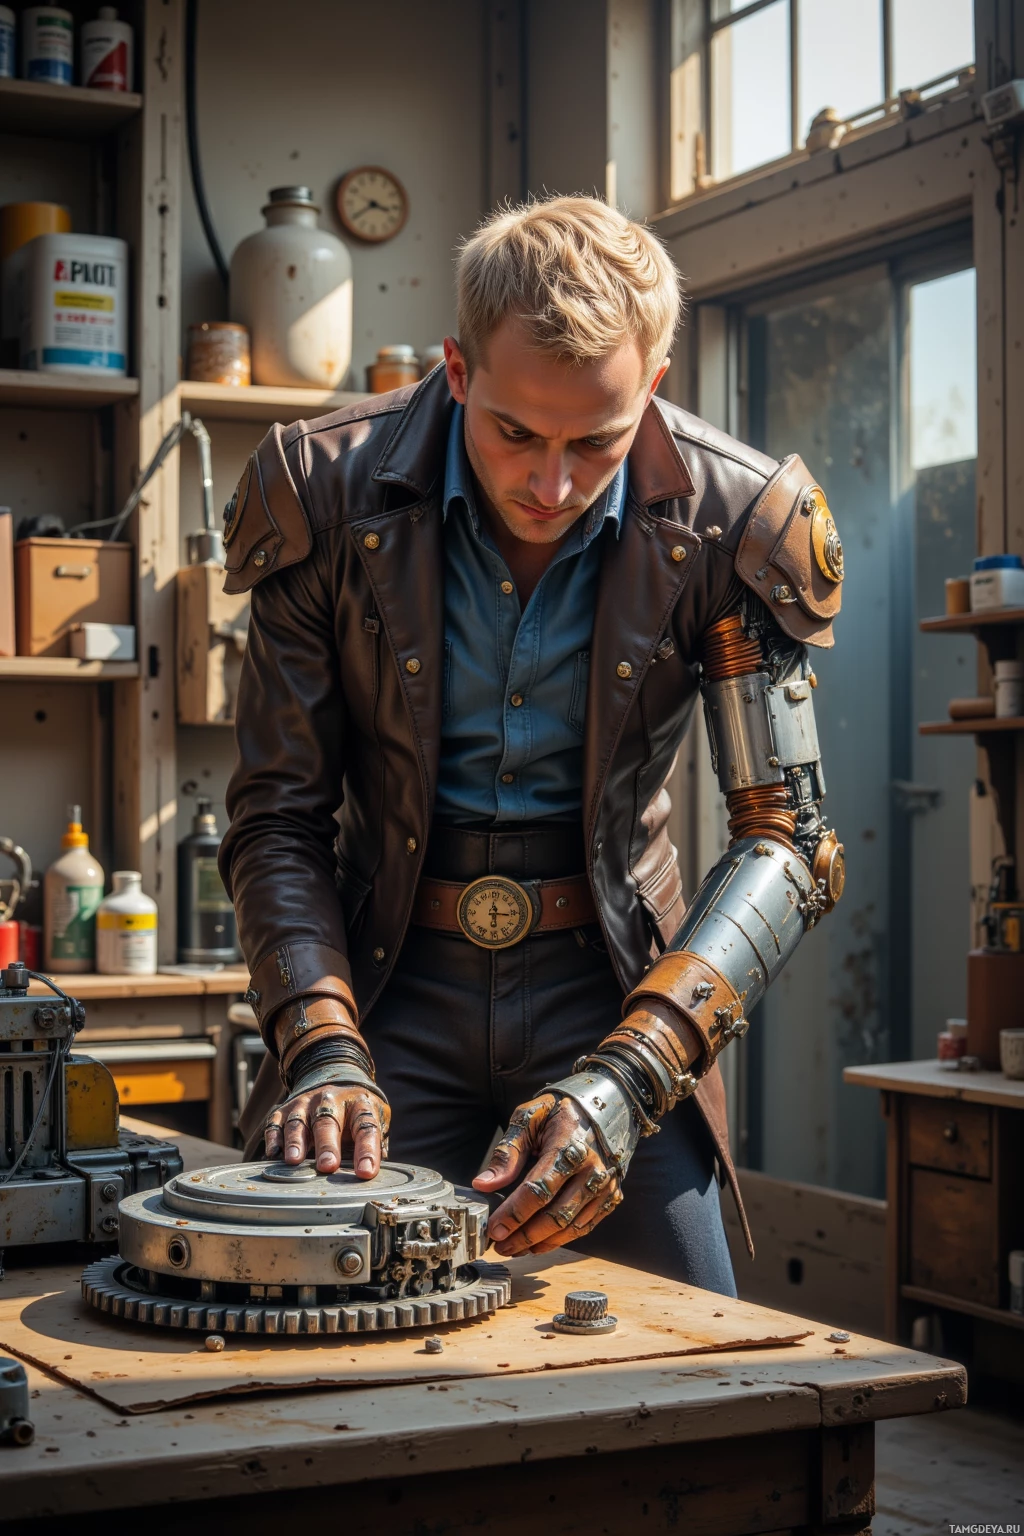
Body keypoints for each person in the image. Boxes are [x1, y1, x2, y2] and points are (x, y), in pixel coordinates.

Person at [219, 195, 845, 1291]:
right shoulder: (319, 493)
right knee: (306, 1326)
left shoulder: (737, 521)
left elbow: (788, 838)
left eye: (596, 442)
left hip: (612, 994)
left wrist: (633, 1074)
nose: (551, 486)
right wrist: (321, 1045)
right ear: (458, 369)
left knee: (706, 1355)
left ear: (653, 385)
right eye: (515, 433)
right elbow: (279, 817)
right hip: (379, 987)